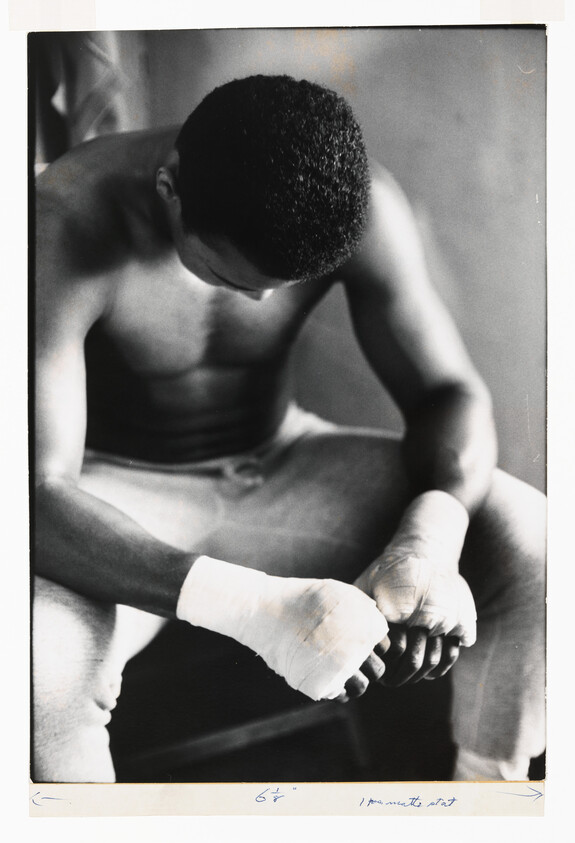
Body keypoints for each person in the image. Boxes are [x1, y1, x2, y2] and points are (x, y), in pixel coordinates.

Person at [33, 74, 545, 783]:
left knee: (536, 542)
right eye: (227, 273)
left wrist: (430, 539)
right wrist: (251, 609)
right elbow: (34, 491)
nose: (261, 299)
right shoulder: (61, 219)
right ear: (170, 185)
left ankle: (492, 800)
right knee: (36, 666)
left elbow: (445, 390)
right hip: (116, 488)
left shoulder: (359, 202)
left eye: (281, 282)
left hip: (285, 457)